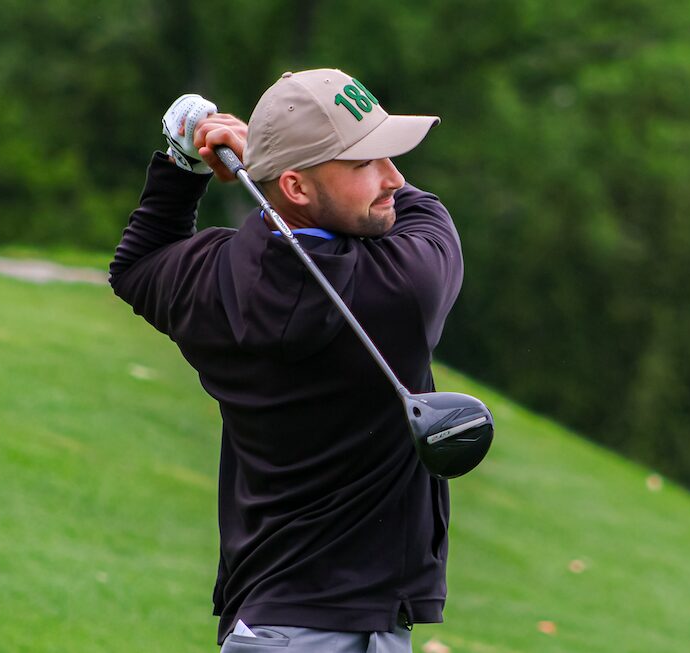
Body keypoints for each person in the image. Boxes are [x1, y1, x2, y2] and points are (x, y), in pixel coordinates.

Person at [109, 69, 463, 652]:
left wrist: (185, 162)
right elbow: (426, 216)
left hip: (268, 625)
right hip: (349, 633)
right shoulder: (403, 288)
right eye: (364, 163)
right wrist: (263, 156)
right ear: (297, 188)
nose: (393, 178)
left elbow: (138, 263)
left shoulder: (216, 278)